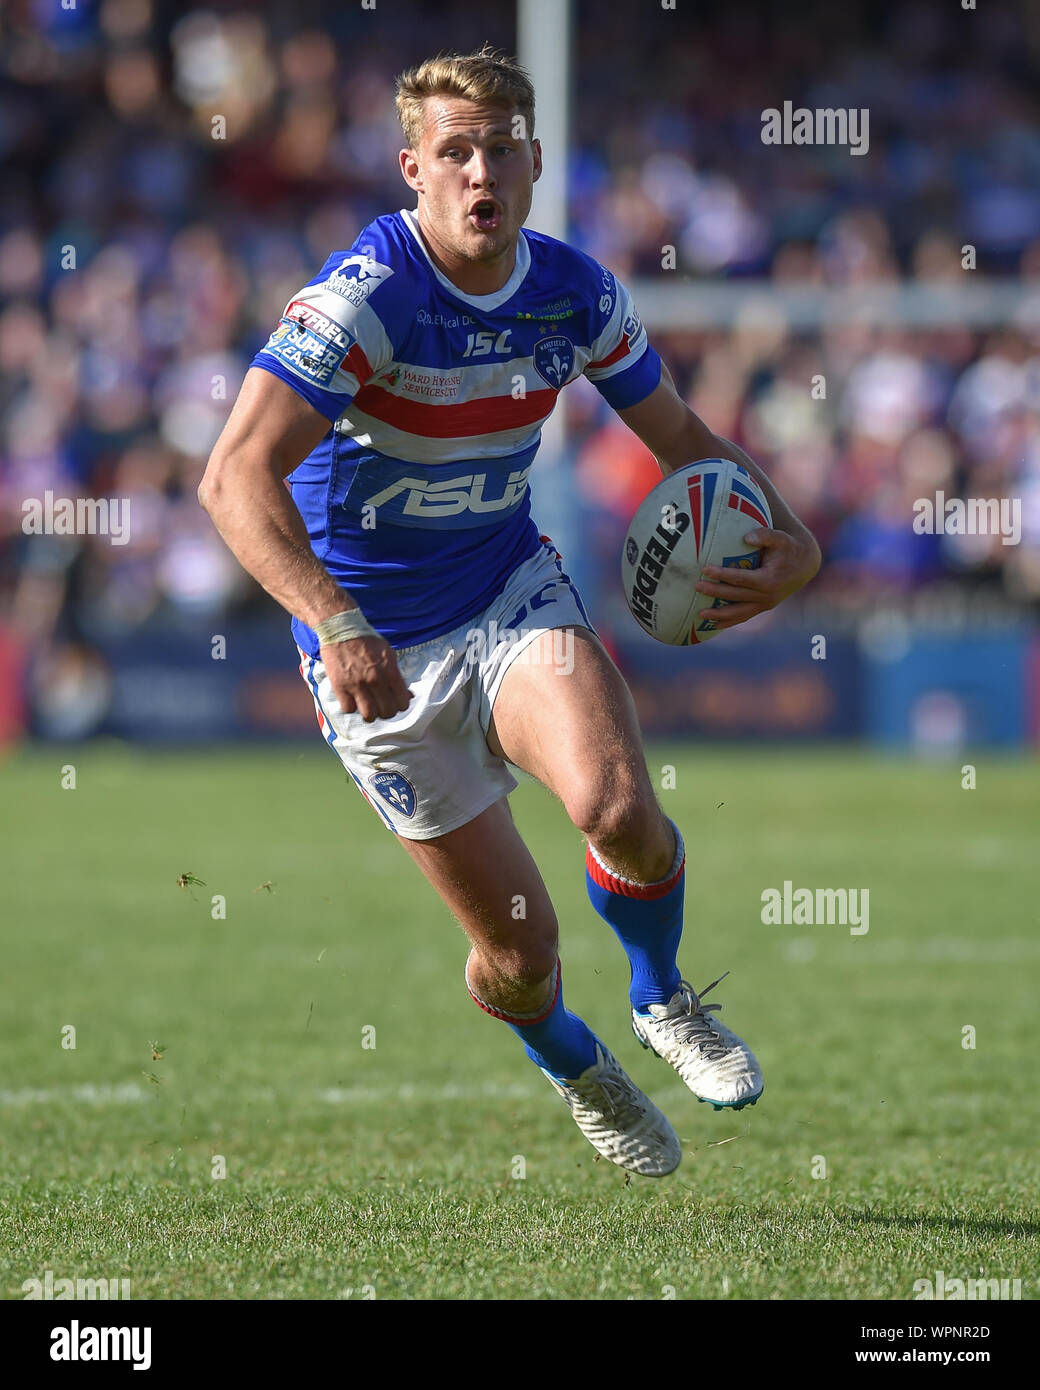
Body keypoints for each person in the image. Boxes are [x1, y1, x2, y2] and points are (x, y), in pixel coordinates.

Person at [198, 46, 821, 1177]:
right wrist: (335, 622)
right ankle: (572, 1059)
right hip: (373, 646)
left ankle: (661, 993)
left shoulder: (574, 292)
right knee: (517, 953)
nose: (479, 172)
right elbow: (232, 477)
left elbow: (682, 443)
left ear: (533, 164)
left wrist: (796, 536)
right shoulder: (368, 295)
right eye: (454, 153)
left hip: (504, 589)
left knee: (619, 806)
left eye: (499, 150)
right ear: (413, 172)